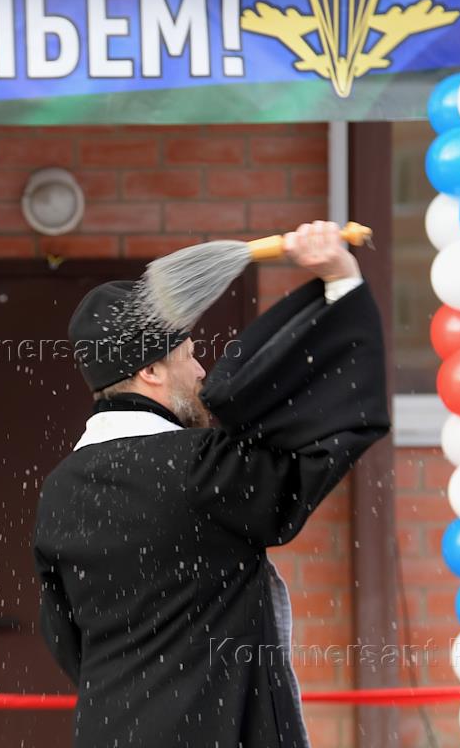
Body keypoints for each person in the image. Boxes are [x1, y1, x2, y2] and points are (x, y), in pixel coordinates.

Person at [32, 220, 390, 747]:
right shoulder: (198, 466)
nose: (201, 372)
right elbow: (318, 450)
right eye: (190, 355)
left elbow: (65, 640)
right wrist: (340, 282)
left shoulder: (59, 490)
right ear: (152, 371)